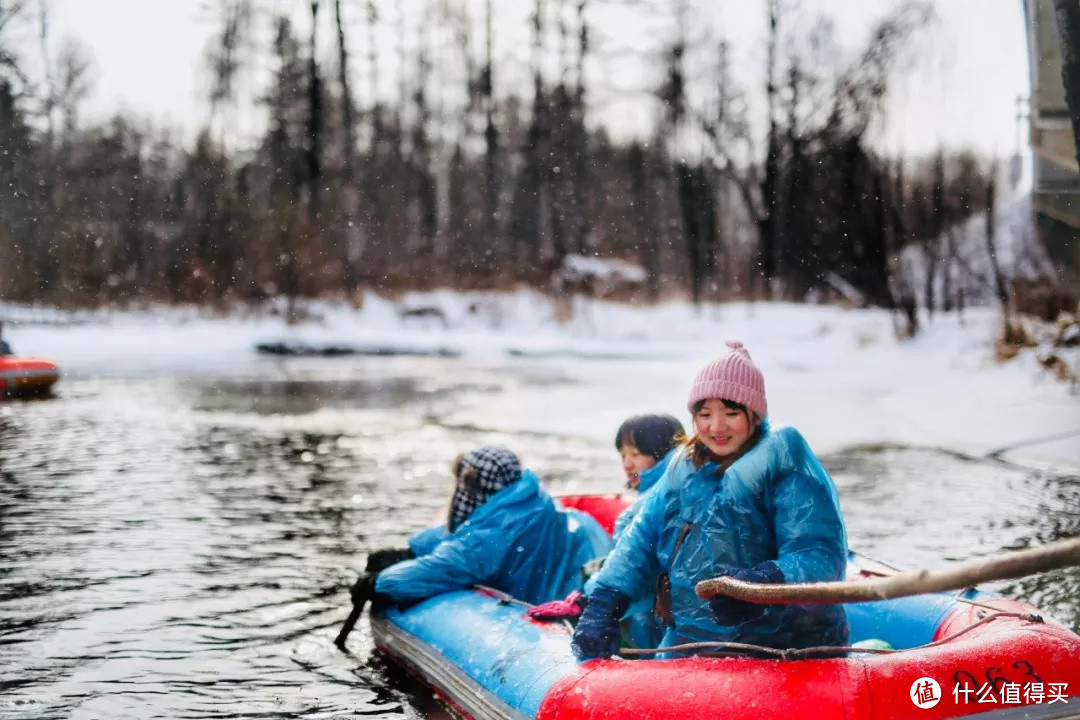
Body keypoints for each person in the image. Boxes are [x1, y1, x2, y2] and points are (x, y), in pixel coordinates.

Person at [572, 340, 849, 660]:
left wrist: (761, 585)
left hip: (780, 650)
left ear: (754, 415)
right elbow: (640, 543)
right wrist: (605, 600)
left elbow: (819, 555)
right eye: (705, 414)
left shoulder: (784, 462)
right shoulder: (684, 469)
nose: (717, 427)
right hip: (691, 648)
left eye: (731, 413)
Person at [348, 446, 612, 615]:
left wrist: (377, 583)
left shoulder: (489, 538)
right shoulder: (532, 503)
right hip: (573, 591)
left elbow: (444, 565)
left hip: (549, 610)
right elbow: (465, 533)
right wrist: (413, 550)